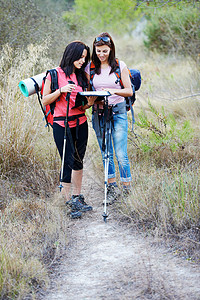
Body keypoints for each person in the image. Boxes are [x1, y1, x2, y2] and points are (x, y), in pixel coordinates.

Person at [43, 41, 94, 219]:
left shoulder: (82, 77)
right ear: (71, 55)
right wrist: (61, 90)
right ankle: (67, 203)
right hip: (61, 124)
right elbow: (45, 100)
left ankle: (77, 197)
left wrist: (91, 101)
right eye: (80, 57)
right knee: (67, 161)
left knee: (79, 160)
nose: (82, 61)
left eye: (85, 58)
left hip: (80, 123)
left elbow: (83, 106)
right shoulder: (54, 75)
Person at [85, 32, 133, 204]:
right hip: (98, 113)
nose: (101, 55)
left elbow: (129, 91)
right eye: (98, 51)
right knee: (106, 153)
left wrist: (113, 91)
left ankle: (127, 189)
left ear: (111, 49)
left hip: (118, 112)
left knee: (121, 153)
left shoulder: (120, 65)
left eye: (104, 51)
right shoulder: (90, 68)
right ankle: (112, 189)